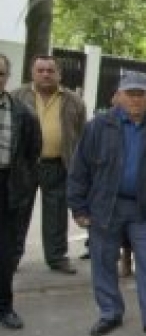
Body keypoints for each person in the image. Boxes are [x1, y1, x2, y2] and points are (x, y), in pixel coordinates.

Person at [67, 72, 146, 336]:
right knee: (104, 260)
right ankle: (109, 313)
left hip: (144, 208)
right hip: (105, 205)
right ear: (118, 95)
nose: (136, 99)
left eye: (141, 94)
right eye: (130, 93)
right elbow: (79, 168)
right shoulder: (98, 126)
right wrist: (79, 207)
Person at [11, 55, 86, 274]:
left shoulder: (74, 101)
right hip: (24, 165)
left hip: (57, 164)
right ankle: (11, 257)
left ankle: (57, 258)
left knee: (56, 214)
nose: (45, 74)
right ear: (33, 73)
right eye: (41, 70)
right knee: (17, 212)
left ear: (59, 74)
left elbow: (81, 136)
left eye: (50, 70)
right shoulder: (17, 96)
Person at [0, 53, 41, 329]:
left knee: (4, 252)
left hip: (7, 186)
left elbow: (32, 151)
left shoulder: (22, 112)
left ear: (7, 77)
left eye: (0, 73)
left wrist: (22, 184)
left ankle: (5, 306)